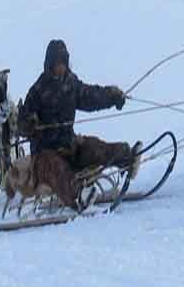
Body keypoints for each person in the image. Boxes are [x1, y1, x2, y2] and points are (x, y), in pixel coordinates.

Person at [18, 39, 141, 209]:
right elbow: (22, 123)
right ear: (49, 64)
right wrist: (29, 124)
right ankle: (78, 196)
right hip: (44, 156)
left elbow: (91, 96)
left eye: (63, 63)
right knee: (58, 169)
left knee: (94, 147)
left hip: (69, 146)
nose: (60, 67)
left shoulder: (71, 83)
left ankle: (128, 158)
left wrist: (112, 96)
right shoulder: (38, 90)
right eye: (57, 63)